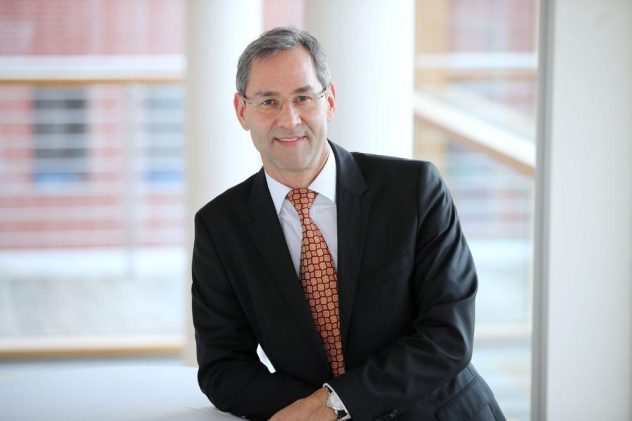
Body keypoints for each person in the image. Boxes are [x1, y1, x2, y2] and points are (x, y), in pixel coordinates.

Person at [192, 26, 505, 421]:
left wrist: (340, 403)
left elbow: (449, 335)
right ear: (242, 111)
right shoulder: (220, 227)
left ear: (330, 101)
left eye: (303, 97)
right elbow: (223, 367)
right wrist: (320, 410)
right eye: (268, 101)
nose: (289, 119)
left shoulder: (414, 190)